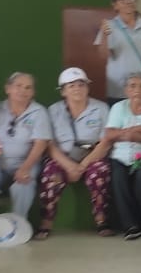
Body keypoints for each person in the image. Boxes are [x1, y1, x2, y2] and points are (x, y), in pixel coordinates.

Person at [38, 67, 112, 240]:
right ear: (63, 91)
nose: (77, 88)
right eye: (71, 86)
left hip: (92, 157)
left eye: (81, 84)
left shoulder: (101, 108)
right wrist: (69, 165)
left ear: (87, 87)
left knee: (100, 173)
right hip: (63, 158)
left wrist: (83, 165)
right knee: (51, 174)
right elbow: (50, 144)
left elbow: (105, 142)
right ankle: (46, 221)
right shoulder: (53, 111)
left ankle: (101, 220)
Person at [0, 72, 51, 225]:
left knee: (23, 185)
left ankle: (18, 226)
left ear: (33, 92)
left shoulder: (39, 112)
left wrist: (25, 168)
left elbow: (40, 143)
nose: (23, 91)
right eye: (18, 86)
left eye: (28, 88)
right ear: (8, 88)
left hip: (25, 162)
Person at [104, 72, 141, 239]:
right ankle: (130, 226)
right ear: (126, 91)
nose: (138, 90)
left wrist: (131, 134)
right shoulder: (118, 108)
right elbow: (109, 134)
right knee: (118, 178)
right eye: (133, 86)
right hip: (120, 155)